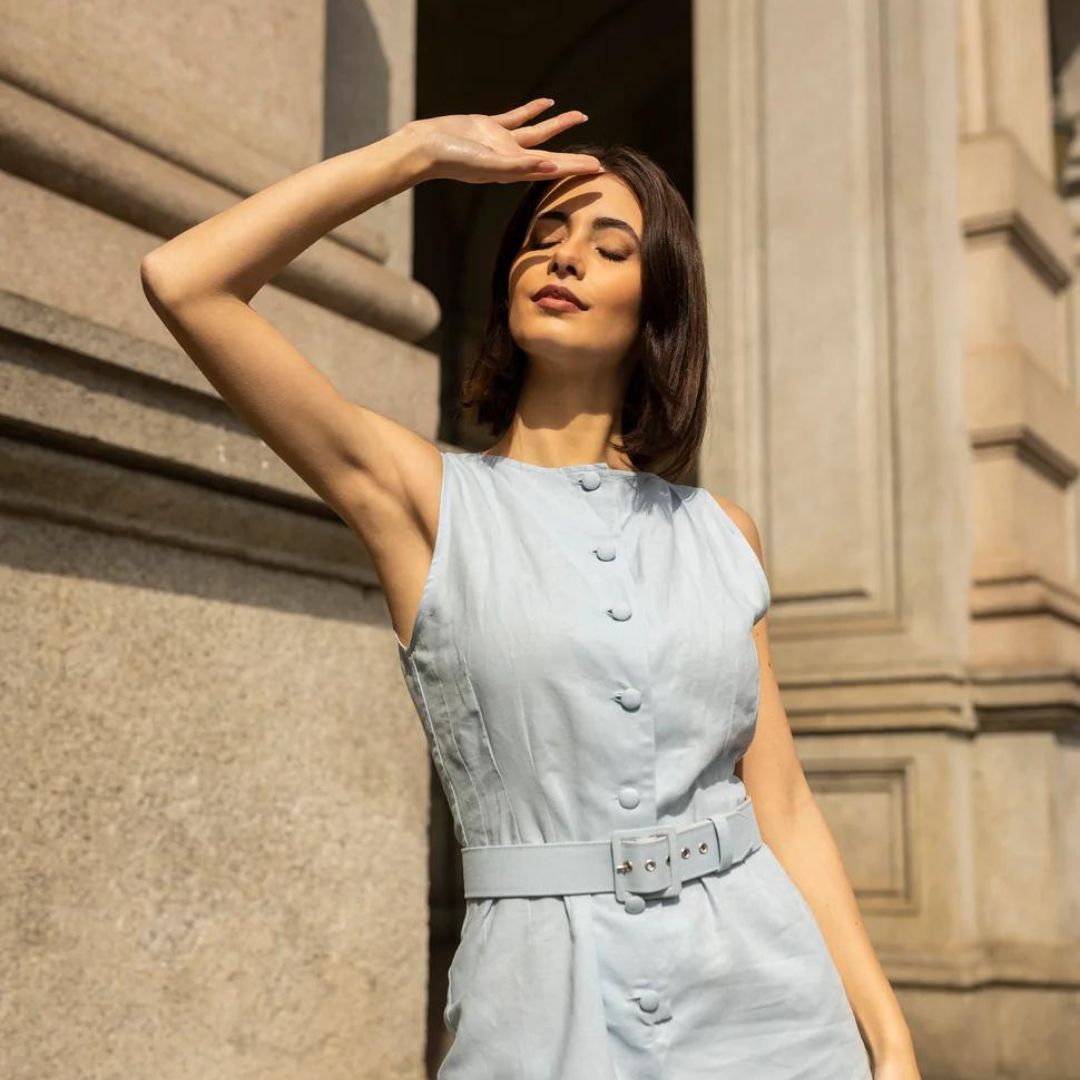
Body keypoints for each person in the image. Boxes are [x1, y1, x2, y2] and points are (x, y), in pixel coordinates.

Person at [140, 97, 920, 1079]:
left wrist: (888, 1039)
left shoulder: (722, 535)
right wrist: (416, 154)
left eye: (609, 245)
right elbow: (185, 280)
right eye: (544, 234)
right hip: (544, 1009)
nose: (565, 256)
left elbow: (787, 808)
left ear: (658, 306)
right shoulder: (424, 499)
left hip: (768, 1002)